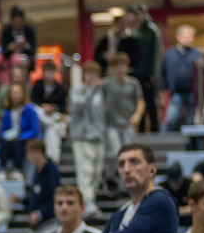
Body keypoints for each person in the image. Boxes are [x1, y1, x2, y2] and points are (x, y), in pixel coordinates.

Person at [69, 61, 106, 216]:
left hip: (98, 136)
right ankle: (87, 201)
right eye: (89, 74)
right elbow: (78, 107)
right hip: (82, 136)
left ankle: (91, 199)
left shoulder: (100, 92)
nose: (92, 77)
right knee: (85, 170)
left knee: (96, 172)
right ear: (83, 76)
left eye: (95, 74)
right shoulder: (76, 90)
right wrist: (90, 90)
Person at [18, 139, 61, 233]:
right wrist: (22, 201)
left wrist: (39, 214)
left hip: (48, 225)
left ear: (38, 152)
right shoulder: (37, 172)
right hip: (36, 227)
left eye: (29, 153)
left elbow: (55, 197)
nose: (27, 157)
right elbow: (37, 196)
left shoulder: (51, 172)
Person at [127, 3, 163, 133]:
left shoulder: (151, 30)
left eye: (138, 14)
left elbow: (156, 53)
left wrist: (153, 72)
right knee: (139, 101)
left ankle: (154, 130)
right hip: (137, 73)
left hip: (147, 73)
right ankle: (141, 130)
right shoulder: (136, 30)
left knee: (150, 103)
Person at [161, 25, 202, 133]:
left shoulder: (196, 53)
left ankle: (190, 146)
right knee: (170, 119)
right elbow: (163, 72)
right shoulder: (170, 53)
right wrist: (163, 89)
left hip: (193, 92)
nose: (191, 39)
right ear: (179, 37)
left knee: (192, 120)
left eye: (192, 36)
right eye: (188, 36)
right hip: (175, 92)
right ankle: (166, 141)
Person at [102, 52, 145, 156]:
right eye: (117, 66)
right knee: (117, 152)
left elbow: (141, 101)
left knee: (129, 151)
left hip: (128, 123)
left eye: (123, 66)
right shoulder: (106, 83)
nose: (120, 69)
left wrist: (137, 116)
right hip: (111, 124)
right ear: (112, 68)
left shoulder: (133, 83)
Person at [0, 82, 40, 179]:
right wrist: (6, 135)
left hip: (25, 138)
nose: (16, 96)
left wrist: (21, 136)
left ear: (23, 94)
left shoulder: (29, 109)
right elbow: (3, 129)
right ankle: (3, 168)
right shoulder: (7, 111)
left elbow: (34, 130)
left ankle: (18, 169)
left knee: (17, 142)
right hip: (11, 137)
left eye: (18, 93)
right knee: (3, 142)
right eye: (13, 93)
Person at [30, 62, 68, 163]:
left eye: (51, 72)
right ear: (43, 73)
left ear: (55, 73)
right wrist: (44, 106)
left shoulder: (61, 89)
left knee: (52, 130)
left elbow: (62, 108)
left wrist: (53, 108)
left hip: (54, 116)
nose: (48, 75)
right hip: (41, 116)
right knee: (36, 111)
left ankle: (53, 158)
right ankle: (54, 158)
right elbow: (33, 101)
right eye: (46, 72)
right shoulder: (37, 85)